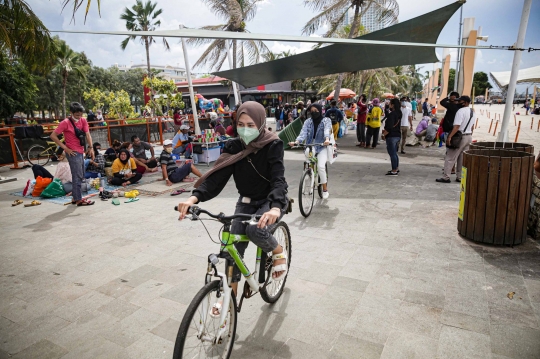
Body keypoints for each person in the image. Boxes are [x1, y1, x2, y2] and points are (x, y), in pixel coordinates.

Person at [177, 101, 289, 299]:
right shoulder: (233, 146)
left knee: (255, 230)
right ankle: (229, 306)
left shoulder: (273, 144)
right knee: (231, 253)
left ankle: (278, 251)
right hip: (246, 200)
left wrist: (276, 207)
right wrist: (193, 198)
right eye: (241, 124)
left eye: (251, 125)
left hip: (269, 200)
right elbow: (216, 178)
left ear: (261, 124)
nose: (245, 130)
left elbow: (278, 179)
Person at [50, 102, 95, 206]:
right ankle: (79, 199)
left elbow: (88, 134)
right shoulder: (65, 122)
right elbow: (53, 136)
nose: (79, 117)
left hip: (81, 150)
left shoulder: (83, 120)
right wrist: (66, 148)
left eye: (81, 115)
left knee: (81, 174)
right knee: (77, 176)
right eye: (77, 115)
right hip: (72, 152)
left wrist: (91, 147)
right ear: (71, 113)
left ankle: (75, 198)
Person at [289, 103, 332, 198]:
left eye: (316, 111)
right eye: (311, 111)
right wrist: (296, 141)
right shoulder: (308, 121)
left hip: (321, 146)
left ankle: (325, 188)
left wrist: (327, 139)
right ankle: (309, 173)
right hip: (310, 146)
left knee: (321, 166)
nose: (314, 113)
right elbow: (303, 133)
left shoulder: (326, 120)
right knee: (308, 164)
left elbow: (327, 130)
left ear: (320, 111)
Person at [436, 96, 476, 183]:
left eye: (459, 101)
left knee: (450, 157)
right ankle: (459, 176)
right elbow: (472, 126)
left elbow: (457, 126)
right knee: (461, 158)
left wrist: (450, 137)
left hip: (459, 136)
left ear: (465, 102)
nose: (457, 103)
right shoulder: (472, 112)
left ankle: (446, 177)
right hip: (468, 136)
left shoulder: (460, 111)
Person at [383, 98, 402, 176]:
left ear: (393, 105)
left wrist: (384, 134)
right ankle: (396, 168)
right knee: (394, 153)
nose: (389, 105)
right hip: (397, 135)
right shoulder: (398, 113)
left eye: (390, 103)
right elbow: (388, 115)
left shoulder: (392, 114)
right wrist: (386, 108)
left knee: (392, 153)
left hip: (391, 135)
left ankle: (394, 170)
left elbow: (390, 126)